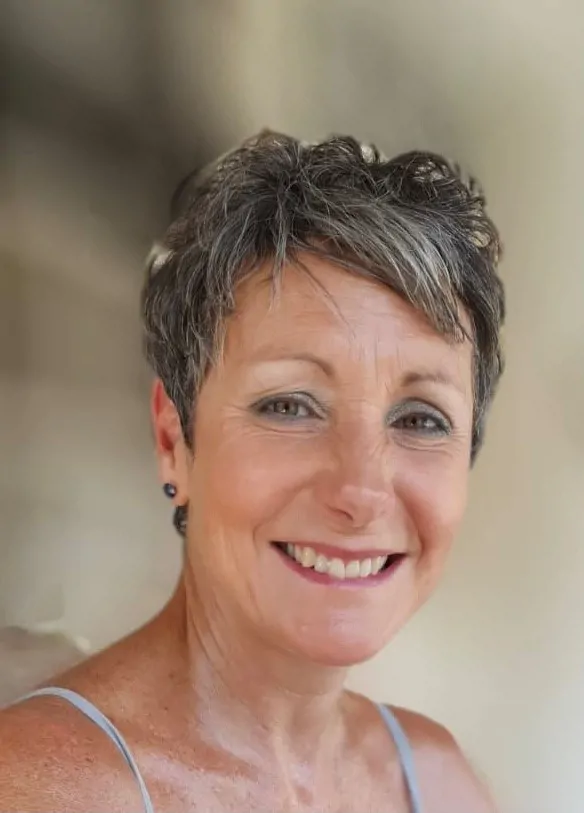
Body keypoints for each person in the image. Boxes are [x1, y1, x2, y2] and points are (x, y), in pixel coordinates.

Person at [0, 130, 505, 812]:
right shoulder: (40, 786)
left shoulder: (440, 782)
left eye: (420, 417)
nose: (359, 491)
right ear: (174, 437)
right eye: (291, 404)